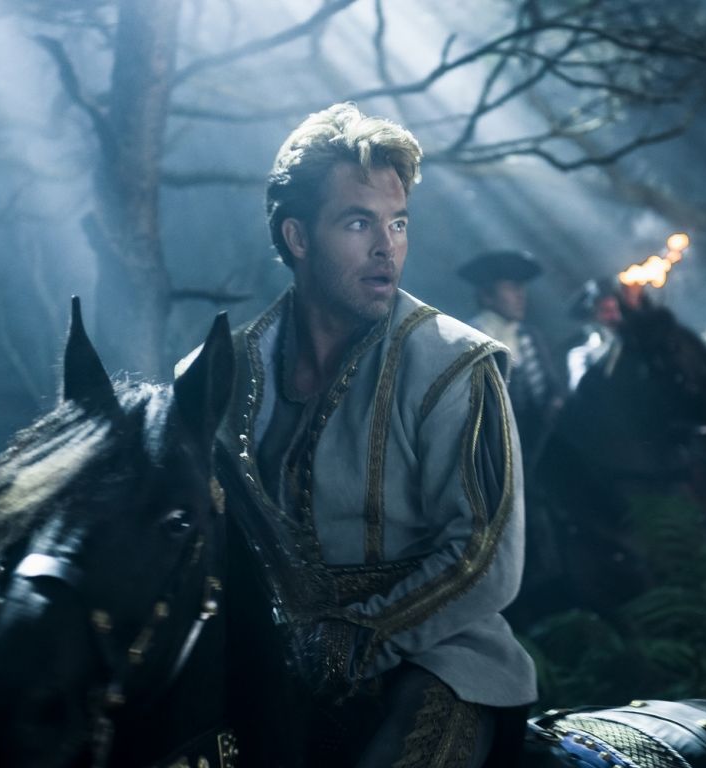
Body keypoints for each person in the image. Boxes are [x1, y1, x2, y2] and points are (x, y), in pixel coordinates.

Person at [179, 103, 535, 767]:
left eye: (398, 223)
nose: (386, 247)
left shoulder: (455, 363)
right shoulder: (217, 375)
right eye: (357, 222)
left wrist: (362, 633)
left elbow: (486, 556)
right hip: (265, 667)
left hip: (439, 662)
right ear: (298, 236)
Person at [456, 250, 564, 463]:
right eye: (512, 288)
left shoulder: (529, 335)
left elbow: (552, 387)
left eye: (522, 288)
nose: (521, 295)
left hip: (541, 446)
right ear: (487, 296)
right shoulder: (468, 340)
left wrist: (555, 403)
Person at [564, 278, 624, 391]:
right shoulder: (580, 352)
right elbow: (581, 387)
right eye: (606, 311)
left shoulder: (627, 338)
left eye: (615, 309)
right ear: (593, 317)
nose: (614, 316)